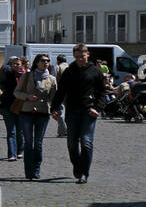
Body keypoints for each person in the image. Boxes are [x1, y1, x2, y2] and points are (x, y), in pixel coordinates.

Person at [50, 43, 108, 184]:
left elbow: (102, 93)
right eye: (77, 57)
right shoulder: (69, 71)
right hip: (72, 111)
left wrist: (98, 108)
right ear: (74, 56)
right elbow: (61, 91)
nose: (80, 59)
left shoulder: (95, 71)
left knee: (86, 142)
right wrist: (54, 108)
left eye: (82, 56)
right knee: (71, 143)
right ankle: (77, 166)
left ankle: (84, 173)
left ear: (87, 54)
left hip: (89, 111)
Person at [14, 53, 57, 180]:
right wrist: (27, 96)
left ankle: (36, 170)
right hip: (26, 112)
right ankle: (28, 171)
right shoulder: (27, 76)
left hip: (42, 113)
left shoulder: (52, 79)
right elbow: (16, 92)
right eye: (43, 60)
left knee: (38, 143)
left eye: (48, 61)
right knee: (28, 143)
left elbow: (53, 99)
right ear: (37, 62)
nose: (46, 63)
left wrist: (55, 110)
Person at [0, 58, 24, 161]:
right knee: (11, 131)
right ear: (10, 65)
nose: (16, 66)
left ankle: (20, 151)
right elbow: (1, 82)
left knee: (20, 131)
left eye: (18, 64)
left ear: (22, 65)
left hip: (21, 106)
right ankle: (11, 154)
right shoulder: (6, 74)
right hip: (7, 106)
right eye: (14, 64)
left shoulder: (25, 76)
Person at [54, 55, 69, 136]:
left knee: (60, 112)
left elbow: (55, 80)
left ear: (58, 61)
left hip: (61, 92)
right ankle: (61, 131)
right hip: (70, 93)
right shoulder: (70, 67)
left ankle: (64, 131)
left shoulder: (58, 67)